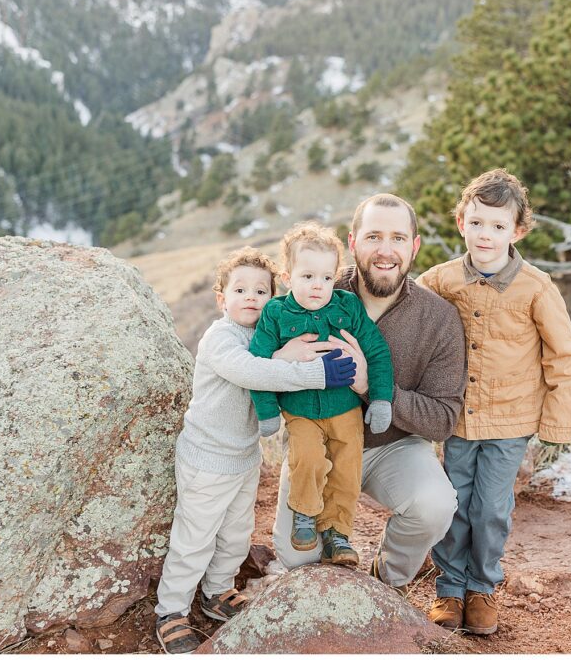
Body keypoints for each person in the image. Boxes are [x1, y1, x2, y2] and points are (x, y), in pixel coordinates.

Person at [154, 247, 357, 654]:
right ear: (221, 298)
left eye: (261, 290)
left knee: (234, 533)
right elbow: (252, 370)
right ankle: (171, 610)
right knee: (195, 536)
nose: (251, 297)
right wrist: (313, 372)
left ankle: (217, 591)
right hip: (207, 458)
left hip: (244, 456)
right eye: (240, 289)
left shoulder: (267, 333)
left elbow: (270, 368)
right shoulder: (220, 337)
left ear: (274, 296)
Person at [270, 194, 467, 593]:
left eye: (397, 238)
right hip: (317, 441)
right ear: (353, 241)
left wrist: (369, 385)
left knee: (434, 505)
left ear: (413, 247)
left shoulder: (439, 318)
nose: (385, 250)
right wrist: (279, 359)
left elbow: (443, 418)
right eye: (374, 236)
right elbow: (256, 346)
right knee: (298, 561)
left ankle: (383, 586)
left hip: (391, 445)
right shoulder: (315, 284)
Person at [417, 169, 571, 635]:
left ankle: (482, 587)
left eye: (497, 226)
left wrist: (556, 423)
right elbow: (407, 310)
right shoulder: (443, 280)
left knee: (490, 508)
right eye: (476, 223)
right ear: (461, 223)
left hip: (512, 421)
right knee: (454, 504)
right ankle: (449, 589)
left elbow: (564, 356)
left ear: (517, 231)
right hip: (457, 419)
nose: (485, 234)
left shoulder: (536, 287)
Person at [249, 222, 394, 568]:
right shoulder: (276, 313)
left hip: (345, 408)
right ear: (287, 277)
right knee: (307, 457)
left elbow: (377, 352)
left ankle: (337, 533)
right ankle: (305, 514)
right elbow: (257, 362)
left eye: (326, 278)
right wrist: (268, 412)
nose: (318, 286)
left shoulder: (347, 306)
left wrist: (381, 398)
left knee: (347, 467)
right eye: (308, 277)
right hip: (300, 410)